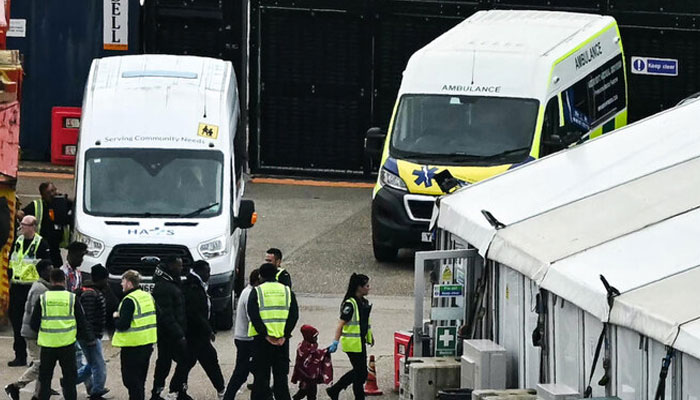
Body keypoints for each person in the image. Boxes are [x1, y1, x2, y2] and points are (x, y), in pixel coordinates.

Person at [30, 268, 95, 400]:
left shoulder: (43, 298)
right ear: (64, 280)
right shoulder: (71, 298)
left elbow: (33, 323)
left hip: (48, 346)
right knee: (70, 380)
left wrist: (44, 332)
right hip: (67, 345)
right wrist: (88, 339)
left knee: (45, 379)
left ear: (51, 280)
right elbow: (81, 322)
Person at [170, 260, 225, 399]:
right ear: (200, 271)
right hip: (195, 334)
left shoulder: (194, 284)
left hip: (194, 333)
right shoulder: (193, 287)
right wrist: (209, 330)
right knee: (208, 360)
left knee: (189, 362)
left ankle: (176, 390)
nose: (209, 274)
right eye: (207, 271)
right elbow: (196, 313)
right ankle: (221, 389)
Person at [248, 262, 299, 400]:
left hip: (262, 341)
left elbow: (253, 315)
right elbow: (294, 315)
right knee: (281, 378)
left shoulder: (257, 291)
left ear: (261, 276)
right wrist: (285, 334)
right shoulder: (287, 291)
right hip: (282, 341)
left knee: (261, 378)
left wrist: (265, 334)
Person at [4, 260, 53, 400]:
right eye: (49, 269)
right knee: (39, 364)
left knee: (43, 363)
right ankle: (14, 386)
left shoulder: (43, 286)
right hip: (33, 333)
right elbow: (37, 315)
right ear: (42, 272)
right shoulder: (40, 289)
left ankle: (40, 392)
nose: (51, 272)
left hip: (35, 332)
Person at [8, 215, 50, 367]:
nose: (21, 227)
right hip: (17, 286)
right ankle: (20, 355)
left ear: (33, 226)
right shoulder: (18, 242)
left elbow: (46, 265)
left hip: (32, 288)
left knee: (34, 322)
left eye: (24, 225)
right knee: (16, 321)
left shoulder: (41, 243)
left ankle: (36, 358)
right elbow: (12, 261)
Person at [326, 274, 374, 400]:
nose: (369, 288)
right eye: (367, 286)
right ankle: (355, 396)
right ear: (359, 287)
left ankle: (335, 389)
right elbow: (341, 324)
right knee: (360, 373)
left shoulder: (363, 302)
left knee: (360, 372)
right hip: (352, 344)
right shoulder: (350, 304)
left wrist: (370, 337)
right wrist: (335, 342)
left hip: (359, 342)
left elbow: (364, 323)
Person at [113, 270, 157, 400]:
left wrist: (115, 317)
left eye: (123, 281)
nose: (121, 284)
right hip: (147, 344)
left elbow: (123, 324)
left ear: (129, 283)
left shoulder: (129, 300)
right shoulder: (147, 296)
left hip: (132, 347)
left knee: (130, 381)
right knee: (140, 380)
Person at [151, 256, 188, 400]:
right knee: (166, 364)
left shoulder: (172, 283)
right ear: (171, 266)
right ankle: (161, 392)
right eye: (179, 266)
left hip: (173, 332)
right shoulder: (163, 287)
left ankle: (175, 390)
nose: (181, 268)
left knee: (171, 363)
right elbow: (166, 315)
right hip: (168, 335)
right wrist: (179, 334)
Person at [223, 269, 261, 399]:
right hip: (247, 339)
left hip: (243, 337)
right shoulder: (251, 294)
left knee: (254, 369)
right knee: (241, 372)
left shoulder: (247, 291)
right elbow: (253, 318)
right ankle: (228, 396)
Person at [17, 182, 68, 268]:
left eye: (53, 190)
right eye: (48, 193)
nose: (52, 194)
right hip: (41, 247)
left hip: (55, 248)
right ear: (42, 195)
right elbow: (20, 214)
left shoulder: (62, 203)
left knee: (58, 271)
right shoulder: (36, 205)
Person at [75, 271, 109, 399]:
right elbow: (86, 319)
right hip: (90, 337)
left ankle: (70, 380)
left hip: (92, 335)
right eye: (105, 279)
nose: (107, 282)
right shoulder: (90, 294)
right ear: (99, 280)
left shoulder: (94, 292)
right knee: (99, 365)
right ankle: (97, 392)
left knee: (93, 364)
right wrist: (90, 338)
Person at [291, 325, 333, 400]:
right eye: (315, 337)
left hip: (311, 377)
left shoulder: (311, 345)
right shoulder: (304, 348)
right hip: (307, 376)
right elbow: (314, 356)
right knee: (310, 394)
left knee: (305, 392)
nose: (316, 339)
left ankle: (296, 398)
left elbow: (316, 354)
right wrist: (326, 351)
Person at [90, 264, 119, 333]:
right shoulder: (92, 293)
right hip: (95, 331)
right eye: (106, 279)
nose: (107, 281)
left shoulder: (105, 290)